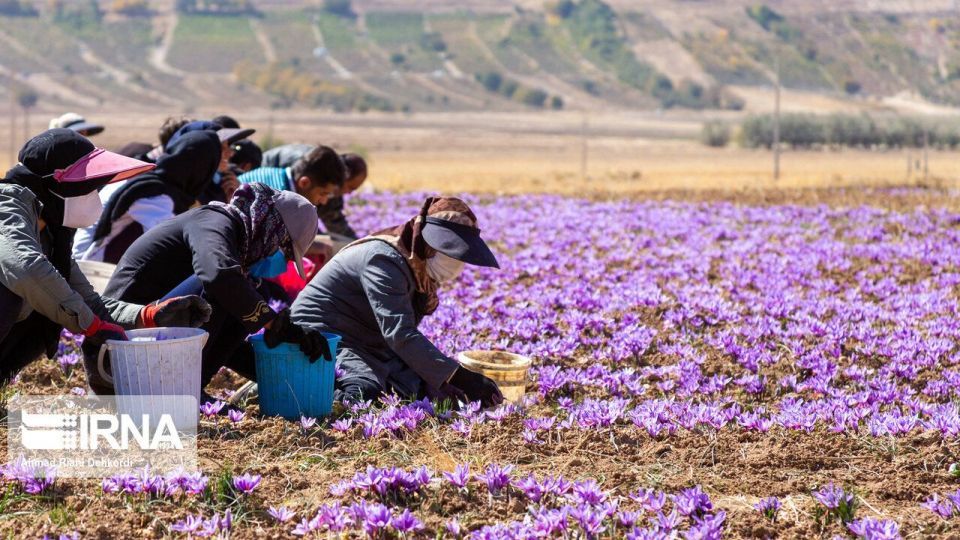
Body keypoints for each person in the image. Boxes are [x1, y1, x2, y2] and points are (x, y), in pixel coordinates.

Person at [0, 129, 210, 383]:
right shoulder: (7, 205)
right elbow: (25, 268)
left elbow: (86, 301)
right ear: (57, 185)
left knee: (52, 297)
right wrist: (92, 326)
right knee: (28, 291)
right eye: (90, 188)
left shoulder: (51, 234)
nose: (95, 198)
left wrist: (147, 315)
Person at [83, 183, 330, 393]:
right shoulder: (214, 222)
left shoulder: (235, 245)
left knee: (248, 296)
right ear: (273, 229)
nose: (283, 263)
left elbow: (223, 344)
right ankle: (178, 391)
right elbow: (218, 277)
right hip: (114, 357)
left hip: (139, 359)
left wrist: (283, 374)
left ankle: (189, 391)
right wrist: (275, 324)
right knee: (230, 289)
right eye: (286, 252)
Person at [290, 196, 504, 407]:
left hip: (369, 342)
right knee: (363, 393)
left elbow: (399, 335)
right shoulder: (383, 261)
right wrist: (460, 376)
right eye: (450, 253)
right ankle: (301, 386)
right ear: (428, 245)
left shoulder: (419, 266)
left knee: (434, 391)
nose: (457, 264)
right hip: (321, 336)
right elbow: (399, 333)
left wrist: (446, 377)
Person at [73, 131, 222, 263]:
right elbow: (170, 246)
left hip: (85, 262)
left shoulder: (146, 181)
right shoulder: (156, 195)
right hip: (93, 269)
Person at [262, 144, 367, 239]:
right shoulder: (311, 169)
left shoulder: (329, 184)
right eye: (350, 187)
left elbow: (335, 223)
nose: (349, 193)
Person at [239, 145, 344, 207]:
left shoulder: (274, 174)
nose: (324, 201)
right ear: (304, 183)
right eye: (323, 193)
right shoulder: (279, 199)